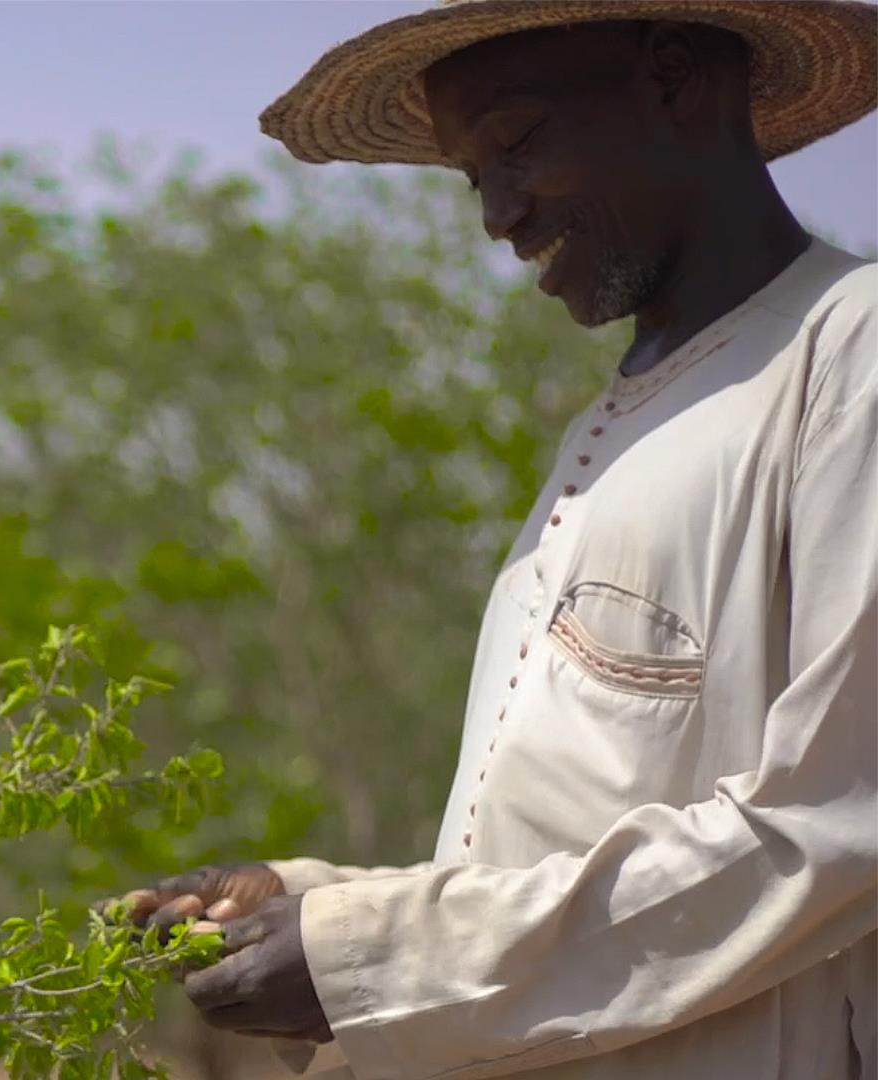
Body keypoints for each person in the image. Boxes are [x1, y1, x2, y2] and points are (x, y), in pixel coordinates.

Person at [118, 3, 878, 1077]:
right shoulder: (613, 428)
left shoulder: (851, 354)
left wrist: (373, 962)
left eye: (518, 144)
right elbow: (567, 851)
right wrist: (320, 910)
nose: (497, 217)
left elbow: (840, 829)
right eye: (472, 177)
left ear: (674, 81)